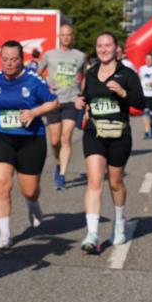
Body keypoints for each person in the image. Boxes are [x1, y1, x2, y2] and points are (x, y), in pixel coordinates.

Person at [0, 40, 59, 249]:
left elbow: (53, 101)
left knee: (29, 190)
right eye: (5, 59)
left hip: (31, 139)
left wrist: (34, 112)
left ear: (21, 59)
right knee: (2, 186)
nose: (9, 64)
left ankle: (32, 203)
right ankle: (5, 234)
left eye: (14, 59)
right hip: (2, 137)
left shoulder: (33, 80)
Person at [75, 33, 144, 253]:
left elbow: (141, 103)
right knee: (94, 181)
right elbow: (87, 97)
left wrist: (124, 92)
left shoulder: (127, 74)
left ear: (116, 48)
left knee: (115, 182)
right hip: (94, 132)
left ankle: (119, 222)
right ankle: (92, 234)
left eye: (108, 45)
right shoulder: (91, 73)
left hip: (119, 135)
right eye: (100, 46)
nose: (103, 49)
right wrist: (81, 101)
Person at [39, 23, 86, 190]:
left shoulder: (80, 56)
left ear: (73, 37)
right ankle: (59, 163)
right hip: (54, 102)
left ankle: (62, 175)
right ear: (59, 36)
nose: (66, 37)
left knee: (67, 137)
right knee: (54, 141)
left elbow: (85, 76)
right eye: (63, 35)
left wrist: (82, 95)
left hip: (71, 102)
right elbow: (37, 74)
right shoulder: (49, 55)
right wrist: (45, 88)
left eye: (69, 35)